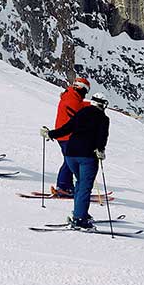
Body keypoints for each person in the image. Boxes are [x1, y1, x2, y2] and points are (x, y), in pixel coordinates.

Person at [40, 93, 110, 230]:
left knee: (80, 183)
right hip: (87, 157)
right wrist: (100, 150)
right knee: (84, 186)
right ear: (102, 104)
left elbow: (67, 128)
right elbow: (102, 136)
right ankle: (79, 219)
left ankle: (80, 212)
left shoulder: (82, 112)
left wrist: (50, 134)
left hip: (70, 154)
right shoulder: (103, 118)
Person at [50, 77, 91, 198]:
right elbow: (78, 116)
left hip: (64, 135)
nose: (85, 94)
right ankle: (63, 186)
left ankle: (66, 186)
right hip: (66, 135)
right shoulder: (72, 100)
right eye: (85, 91)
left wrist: (91, 104)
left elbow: (80, 105)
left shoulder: (71, 96)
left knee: (70, 161)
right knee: (70, 161)